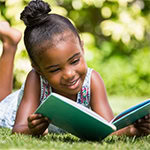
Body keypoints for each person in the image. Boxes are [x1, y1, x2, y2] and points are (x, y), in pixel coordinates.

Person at [0, 0, 150, 138]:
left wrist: (132, 130)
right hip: (10, 109)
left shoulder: (93, 80)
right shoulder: (35, 79)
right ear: (38, 69)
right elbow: (18, 129)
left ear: (82, 49)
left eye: (75, 61)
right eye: (54, 70)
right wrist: (32, 130)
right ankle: (10, 45)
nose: (69, 74)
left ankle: (10, 42)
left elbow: (107, 128)